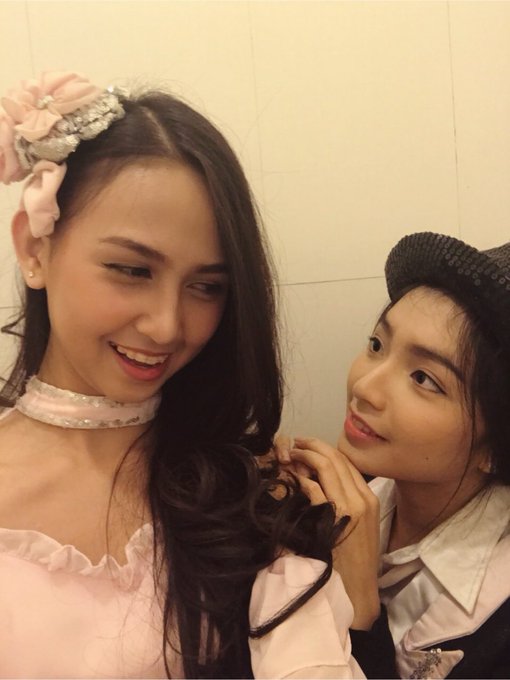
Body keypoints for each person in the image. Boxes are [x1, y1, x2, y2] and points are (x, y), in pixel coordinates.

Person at [0, 71, 363, 678]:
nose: (168, 326)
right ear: (35, 249)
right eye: (132, 270)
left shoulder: (252, 496)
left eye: (206, 287)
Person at [279, 232, 510, 679]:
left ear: (496, 450)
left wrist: (361, 611)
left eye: (424, 379)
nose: (365, 386)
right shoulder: (335, 493)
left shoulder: (497, 619)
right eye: (377, 346)